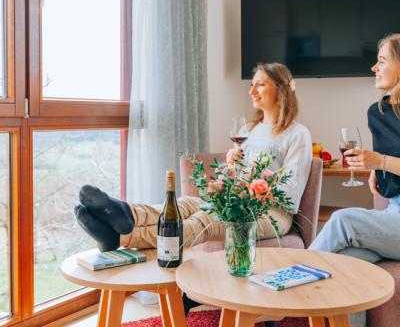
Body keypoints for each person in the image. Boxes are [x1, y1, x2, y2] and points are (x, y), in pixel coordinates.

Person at [74, 62, 312, 253]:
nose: (251, 91)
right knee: (187, 204)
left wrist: (252, 180)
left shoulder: (298, 134)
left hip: (273, 215)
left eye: (260, 85)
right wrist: (234, 169)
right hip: (239, 204)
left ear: (280, 90)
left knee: (204, 219)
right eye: (252, 85)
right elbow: (241, 180)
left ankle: (122, 236)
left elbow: (290, 194)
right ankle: (127, 213)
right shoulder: (253, 130)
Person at [309, 33, 400, 327]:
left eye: (382, 60)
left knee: (343, 221)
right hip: (394, 213)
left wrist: (380, 162)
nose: (374, 67)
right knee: (347, 263)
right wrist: (380, 169)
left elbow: (385, 157)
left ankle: (289, 277)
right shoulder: (380, 111)